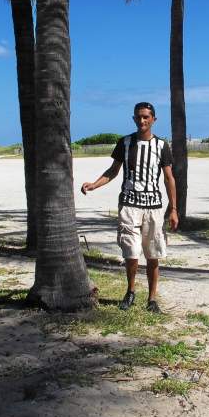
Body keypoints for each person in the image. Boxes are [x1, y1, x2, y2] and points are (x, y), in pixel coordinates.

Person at [81, 102, 179, 313]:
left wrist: (173, 209)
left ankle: (152, 299)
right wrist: (94, 184)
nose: (142, 120)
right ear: (134, 119)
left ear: (154, 119)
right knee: (131, 251)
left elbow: (169, 178)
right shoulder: (124, 143)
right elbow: (113, 171)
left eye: (146, 117)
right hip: (129, 205)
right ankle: (131, 291)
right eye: (138, 117)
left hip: (153, 207)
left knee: (153, 253)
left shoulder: (161, 146)